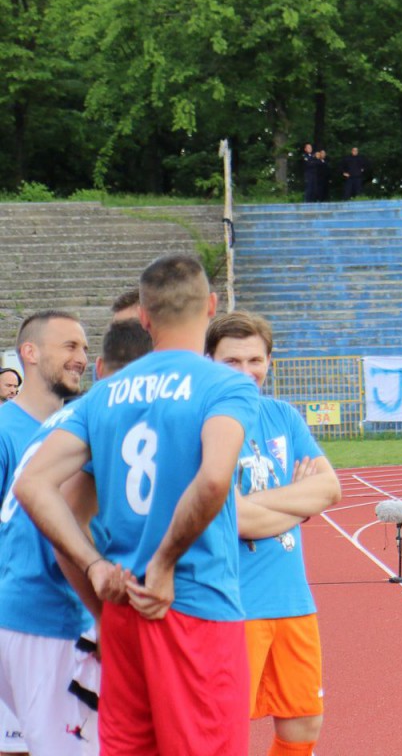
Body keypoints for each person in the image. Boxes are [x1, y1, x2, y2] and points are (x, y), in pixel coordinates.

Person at [14, 255, 261, 756]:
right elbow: (215, 477)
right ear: (211, 306)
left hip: (122, 606)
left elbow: (33, 483)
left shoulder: (103, 394)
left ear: (144, 317)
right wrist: (164, 563)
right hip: (192, 602)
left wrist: (94, 565)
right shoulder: (225, 384)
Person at [205, 313, 342, 756]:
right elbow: (237, 520)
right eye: (231, 361)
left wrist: (261, 505)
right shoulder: (205, 423)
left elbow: (330, 488)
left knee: (304, 723)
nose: (246, 371)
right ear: (209, 362)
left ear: (269, 362)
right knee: (223, 731)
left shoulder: (283, 416)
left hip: (293, 600)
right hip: (234, 605)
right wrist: (298, 505)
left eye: (255, 360)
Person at [0, 311, 91, 756]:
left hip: (69, 621)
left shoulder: (76, 428)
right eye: (70, 346)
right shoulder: (5, 429)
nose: (82, 358)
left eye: (85, 348)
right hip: (26, 620)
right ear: (30, 353)